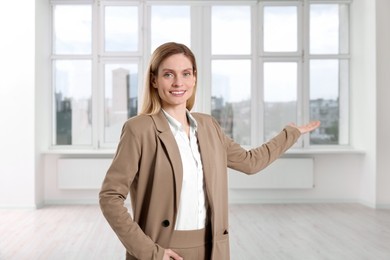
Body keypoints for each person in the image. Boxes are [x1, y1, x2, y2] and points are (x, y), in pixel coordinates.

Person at [99, 42, 320, 260]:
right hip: (162, 250)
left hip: (212, 249)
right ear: (154, 80)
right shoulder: (139, 129)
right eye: (168, 74)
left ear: (194, 78)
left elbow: (250, 162)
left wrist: (290, 133)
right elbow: (110, 197)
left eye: (186, 73)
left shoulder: (208, 126)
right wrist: (150, 253)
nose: (178, 82)